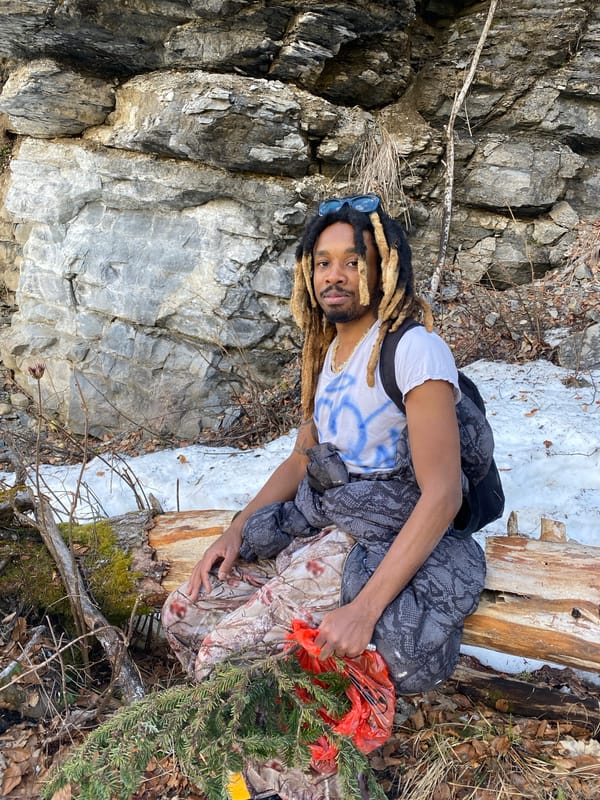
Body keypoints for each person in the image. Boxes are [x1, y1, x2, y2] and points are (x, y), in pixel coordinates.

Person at [162, 193, 488, 695]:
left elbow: (442, 494)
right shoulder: (326, 351)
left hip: (372, 540)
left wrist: (364, 608)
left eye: (353, 263)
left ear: (384, 270)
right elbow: (301, 458)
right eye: (323, 263)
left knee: (221, 657)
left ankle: (289, 760)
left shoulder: (413, 350)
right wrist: (236, 530)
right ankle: (258, 714)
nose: (334, 275)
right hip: (318, 522)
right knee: (182, 614)